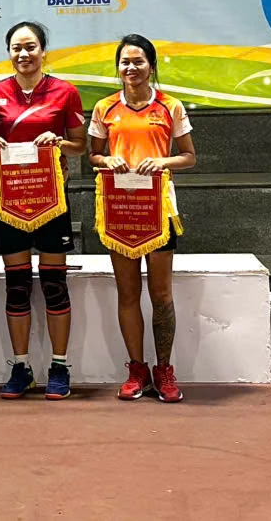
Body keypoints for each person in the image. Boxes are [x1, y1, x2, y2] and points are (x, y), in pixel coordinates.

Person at [0, 21, 87, 400]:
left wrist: (58, 142)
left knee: (54, 285)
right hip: (9, 200)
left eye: (30, 47)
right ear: (8, 52)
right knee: (18, 285)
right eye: (16, 48)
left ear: (43, 51)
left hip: (51, 198)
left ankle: (59, 366)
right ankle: (21, 366)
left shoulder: (65, 92)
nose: (23, 54)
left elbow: (79, 144)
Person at [88, 35, 196, 403]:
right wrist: (107, 160)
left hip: (159, 210)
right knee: (128, 293)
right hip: (120, 210)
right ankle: (137, 369)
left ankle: (164, 370)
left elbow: (189, 157)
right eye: (125, 62)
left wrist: (163, 161)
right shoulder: (104, 107)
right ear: (117, 67)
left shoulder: (170, 106)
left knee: (161, 293)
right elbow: (93, 156)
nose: (131, 68)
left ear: (151, 66)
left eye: (138, 61)